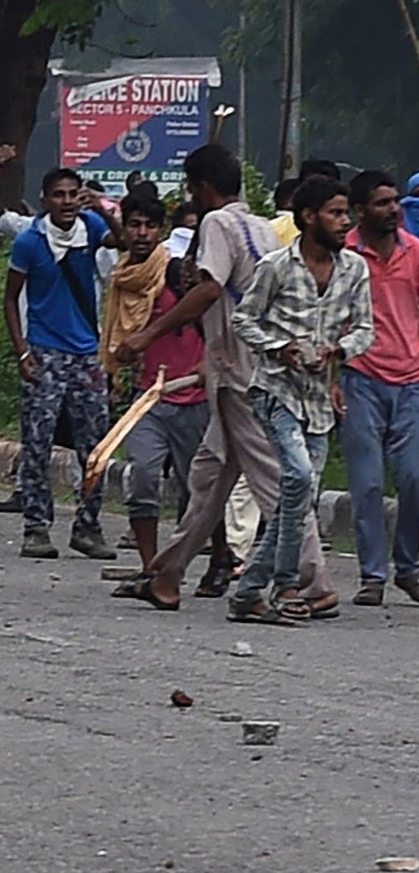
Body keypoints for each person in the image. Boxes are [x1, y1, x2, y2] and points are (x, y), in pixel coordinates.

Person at [113, 143, 341, 615]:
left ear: (201, 188)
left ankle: (313, 581)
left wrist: (147, 335)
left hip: (245, 376)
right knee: (208, 479)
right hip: (248, 370)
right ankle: (167, 575)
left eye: (192, 189)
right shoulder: (261, 226)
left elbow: (212, 289)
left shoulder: (217, 224)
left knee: (276, 480)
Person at [227, 175, 372, 623]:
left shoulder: (354, 270)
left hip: (317, 400)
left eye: (346, 213)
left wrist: (338, 351)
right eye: (335, 213)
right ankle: (287, 584)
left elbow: (366, 330)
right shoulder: (276, 266)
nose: (344, 222)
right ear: (308, 217)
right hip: (276, 389)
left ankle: (248, 592)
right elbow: (243, 321)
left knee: (301, 493)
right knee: (299, 475)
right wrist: (279, 348)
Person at [3, 167, 119, 560]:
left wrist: (102, 209)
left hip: (87, 352)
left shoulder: (89, 227)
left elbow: (122, 241)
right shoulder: (30, 242)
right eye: (59, 195)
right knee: (38, 442)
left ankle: (87, 524)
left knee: (95, 446)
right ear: (45, 200)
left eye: (73, 194)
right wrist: (22, 351)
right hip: (45, 351)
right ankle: (36, 525)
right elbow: (11, 299)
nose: (68, 201)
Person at [99, 186, 211, 579]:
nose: (142, 233)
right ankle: (150, 568)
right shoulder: (122, 278)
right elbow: (118, 336)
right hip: (147, 396)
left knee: (197, 489)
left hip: (192, 394)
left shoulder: (178, 274)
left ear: (161, 230)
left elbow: (208, 320)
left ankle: (208, 561)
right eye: (134, 225)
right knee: (143, 475)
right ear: (124, 231)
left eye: (150, 226)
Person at [339, 170, 419, 607]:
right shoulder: (346, 254)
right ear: (360, 210)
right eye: (382, 202)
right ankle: (373, 574)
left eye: (394, 201)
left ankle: (407, 566)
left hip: (410, 381)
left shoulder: (416, 253)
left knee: (414, 477)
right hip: (360, 378)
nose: (392, 209)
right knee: (367, 484)